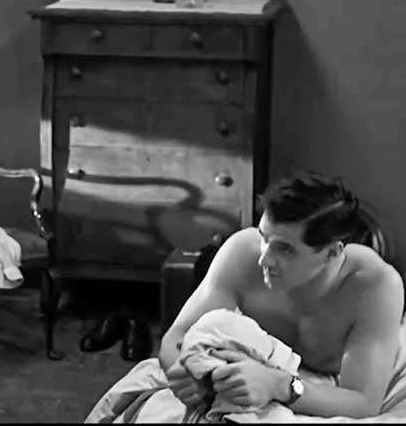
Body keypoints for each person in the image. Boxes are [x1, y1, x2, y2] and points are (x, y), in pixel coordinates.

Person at [159, 171, 404, 419]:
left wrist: (277, 385)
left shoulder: (376, 287)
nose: (264, 259)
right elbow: (175, 337)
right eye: (264, 238)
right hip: (252, 373)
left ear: (331, 253)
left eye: (285, 250)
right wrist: (188, 373)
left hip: (344, 377)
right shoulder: (243, 251)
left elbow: (363, 403)